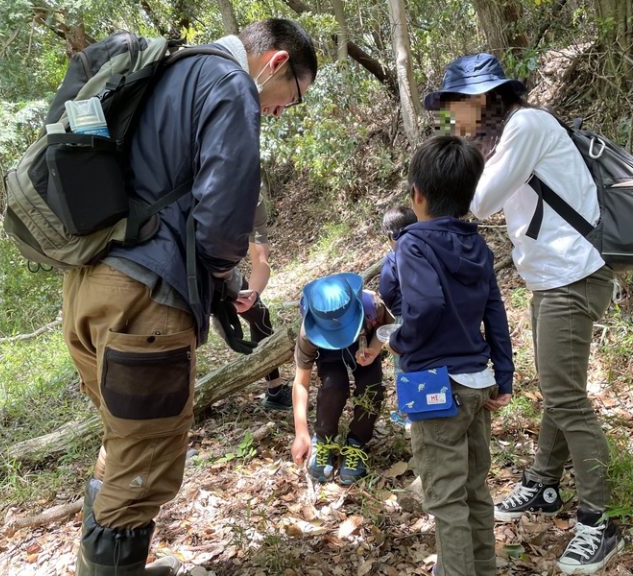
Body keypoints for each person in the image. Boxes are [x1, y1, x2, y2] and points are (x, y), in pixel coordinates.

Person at [61, 19, 317, 575]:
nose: (277, 112)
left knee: (124, 441)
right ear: (273, 63)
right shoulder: (227, 82)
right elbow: (225, 213)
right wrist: (223, 276)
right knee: (143, 461)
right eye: (288, 100)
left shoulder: (171, 71)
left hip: (89, 285)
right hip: (144, 298)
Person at [424, 53, 624, 575]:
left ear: (482, 98)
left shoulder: (528, 125)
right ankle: (543, 483)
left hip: (573, 276)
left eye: (454, 108)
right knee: (558, 388)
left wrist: (447, 166)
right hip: (552, 278)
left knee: (566, 397)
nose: (451, 120)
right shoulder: (507, 136)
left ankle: (599, 521)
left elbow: (480, 200)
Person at [387, 135, 514, 576]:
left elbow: (424, 308)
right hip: (478, 379)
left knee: (445, 498)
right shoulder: (477, 245)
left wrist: (399, 341)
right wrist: (505, 374)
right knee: (475, 489)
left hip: (433, 387)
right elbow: (495, 311)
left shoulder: (412, 244)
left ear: (417, 195)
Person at [290, 273, 392, 485]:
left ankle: (356, 442)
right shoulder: (310, 332)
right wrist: (301, 432)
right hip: (327, 349)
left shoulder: (372, 305)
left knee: (370, 387)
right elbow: (301, 382)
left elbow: (387, 327)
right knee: (333, 385)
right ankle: (324, 439)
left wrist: (373, 349)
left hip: (363, 344)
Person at [231, 181, 293, 410]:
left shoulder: (252, 200)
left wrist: (252, 294)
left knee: (260, 314)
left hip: (224, 268)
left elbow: (260, 258)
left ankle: (275, 391)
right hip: (185, 265)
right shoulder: (197, 184)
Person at [379, 204, 417, 320]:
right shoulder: (427, 249)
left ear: (391, 236)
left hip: (405, 316)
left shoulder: (391, 260)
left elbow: (386, 293)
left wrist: (394, 307)